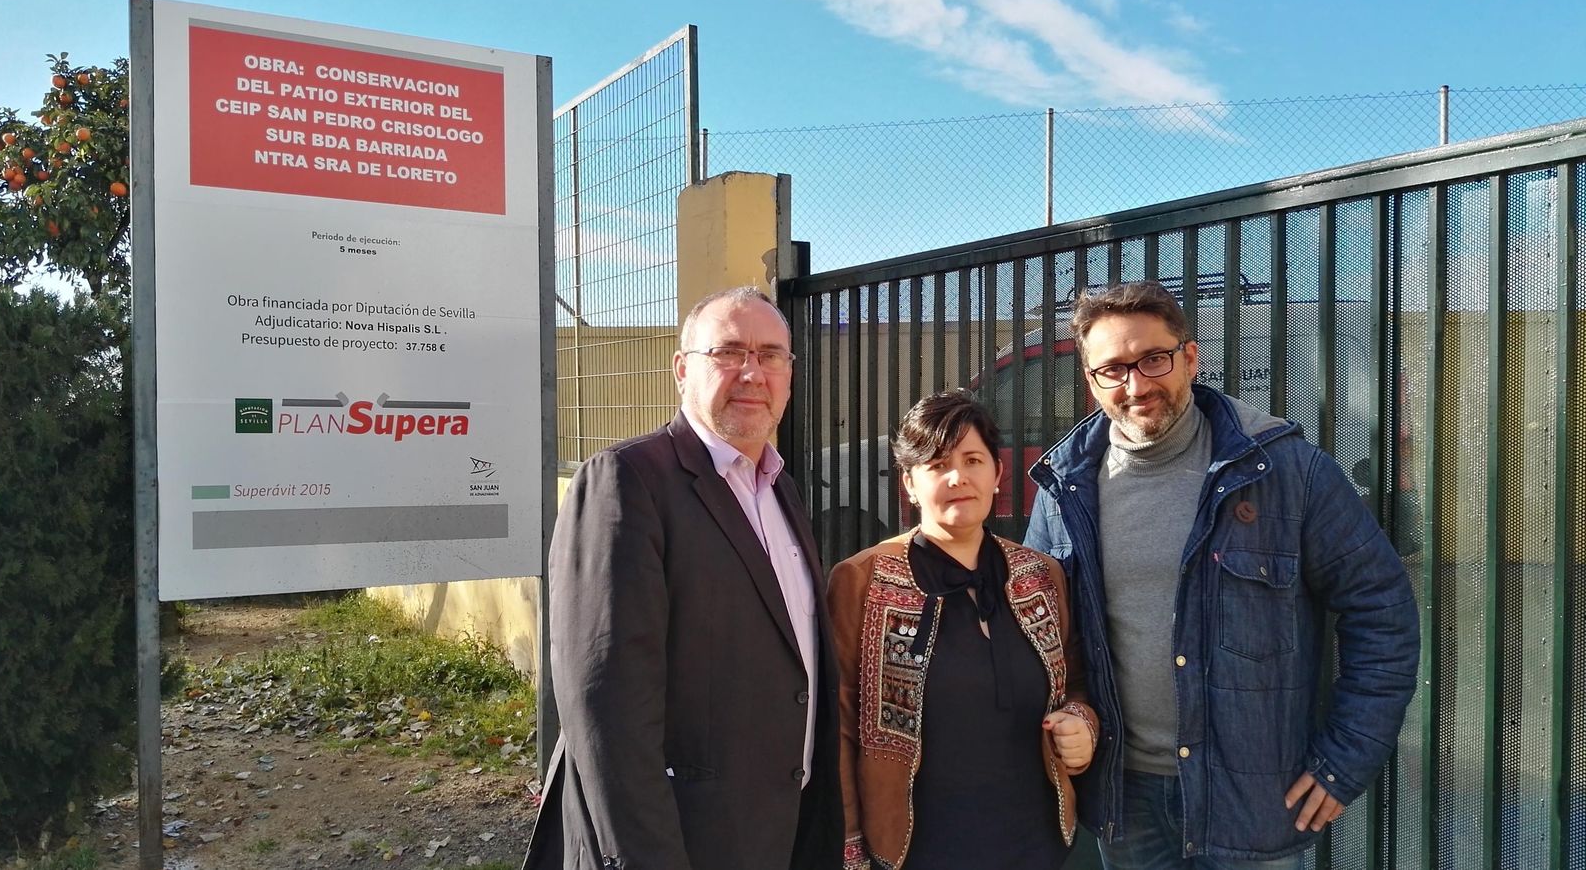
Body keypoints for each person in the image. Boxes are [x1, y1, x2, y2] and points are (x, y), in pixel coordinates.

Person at [1022, 281, 1420, 868]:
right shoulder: (1064, 489)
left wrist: (1344, 761)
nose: (1135, 385)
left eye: (1153, 358)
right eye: (1113, 369)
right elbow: (1046, 641)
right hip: (1125, 802)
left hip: (1253, 804)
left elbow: (1382, 610)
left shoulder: (1284, 469)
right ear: (1091, 380)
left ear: (1189, 356)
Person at [523, 286, 842, 870]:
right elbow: (605, 709)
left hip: (778, 834)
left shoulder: (780, 489)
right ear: (681, 369)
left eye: (771, 355)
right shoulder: (626, 481)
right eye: (728, 352)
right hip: (680, 844)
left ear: (790, 373)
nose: (752, 372)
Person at [829, 389, 1099, 870]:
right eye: (936, 465)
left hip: (1035, 843)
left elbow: (1076, 683)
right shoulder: (862, 580)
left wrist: (1082, 724)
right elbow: (840, 728)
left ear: (997, 474)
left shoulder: (1040, 576)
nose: (958, 477)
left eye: (973, 459)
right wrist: (852, 851)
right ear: (909, 484)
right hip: (915, 849)